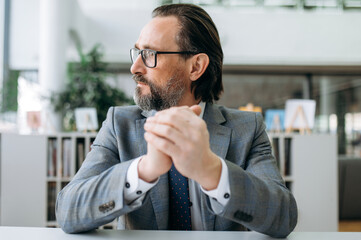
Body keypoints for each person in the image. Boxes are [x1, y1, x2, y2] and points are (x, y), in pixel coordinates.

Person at [56, 4, 297, 238]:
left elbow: (283, 218)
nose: (135, 67)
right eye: (137, 52)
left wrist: (212, 171)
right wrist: (144, 170)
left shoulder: (247, 129)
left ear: (196, 66)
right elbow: (68, 212)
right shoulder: (119, 125)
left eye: (149, 54)